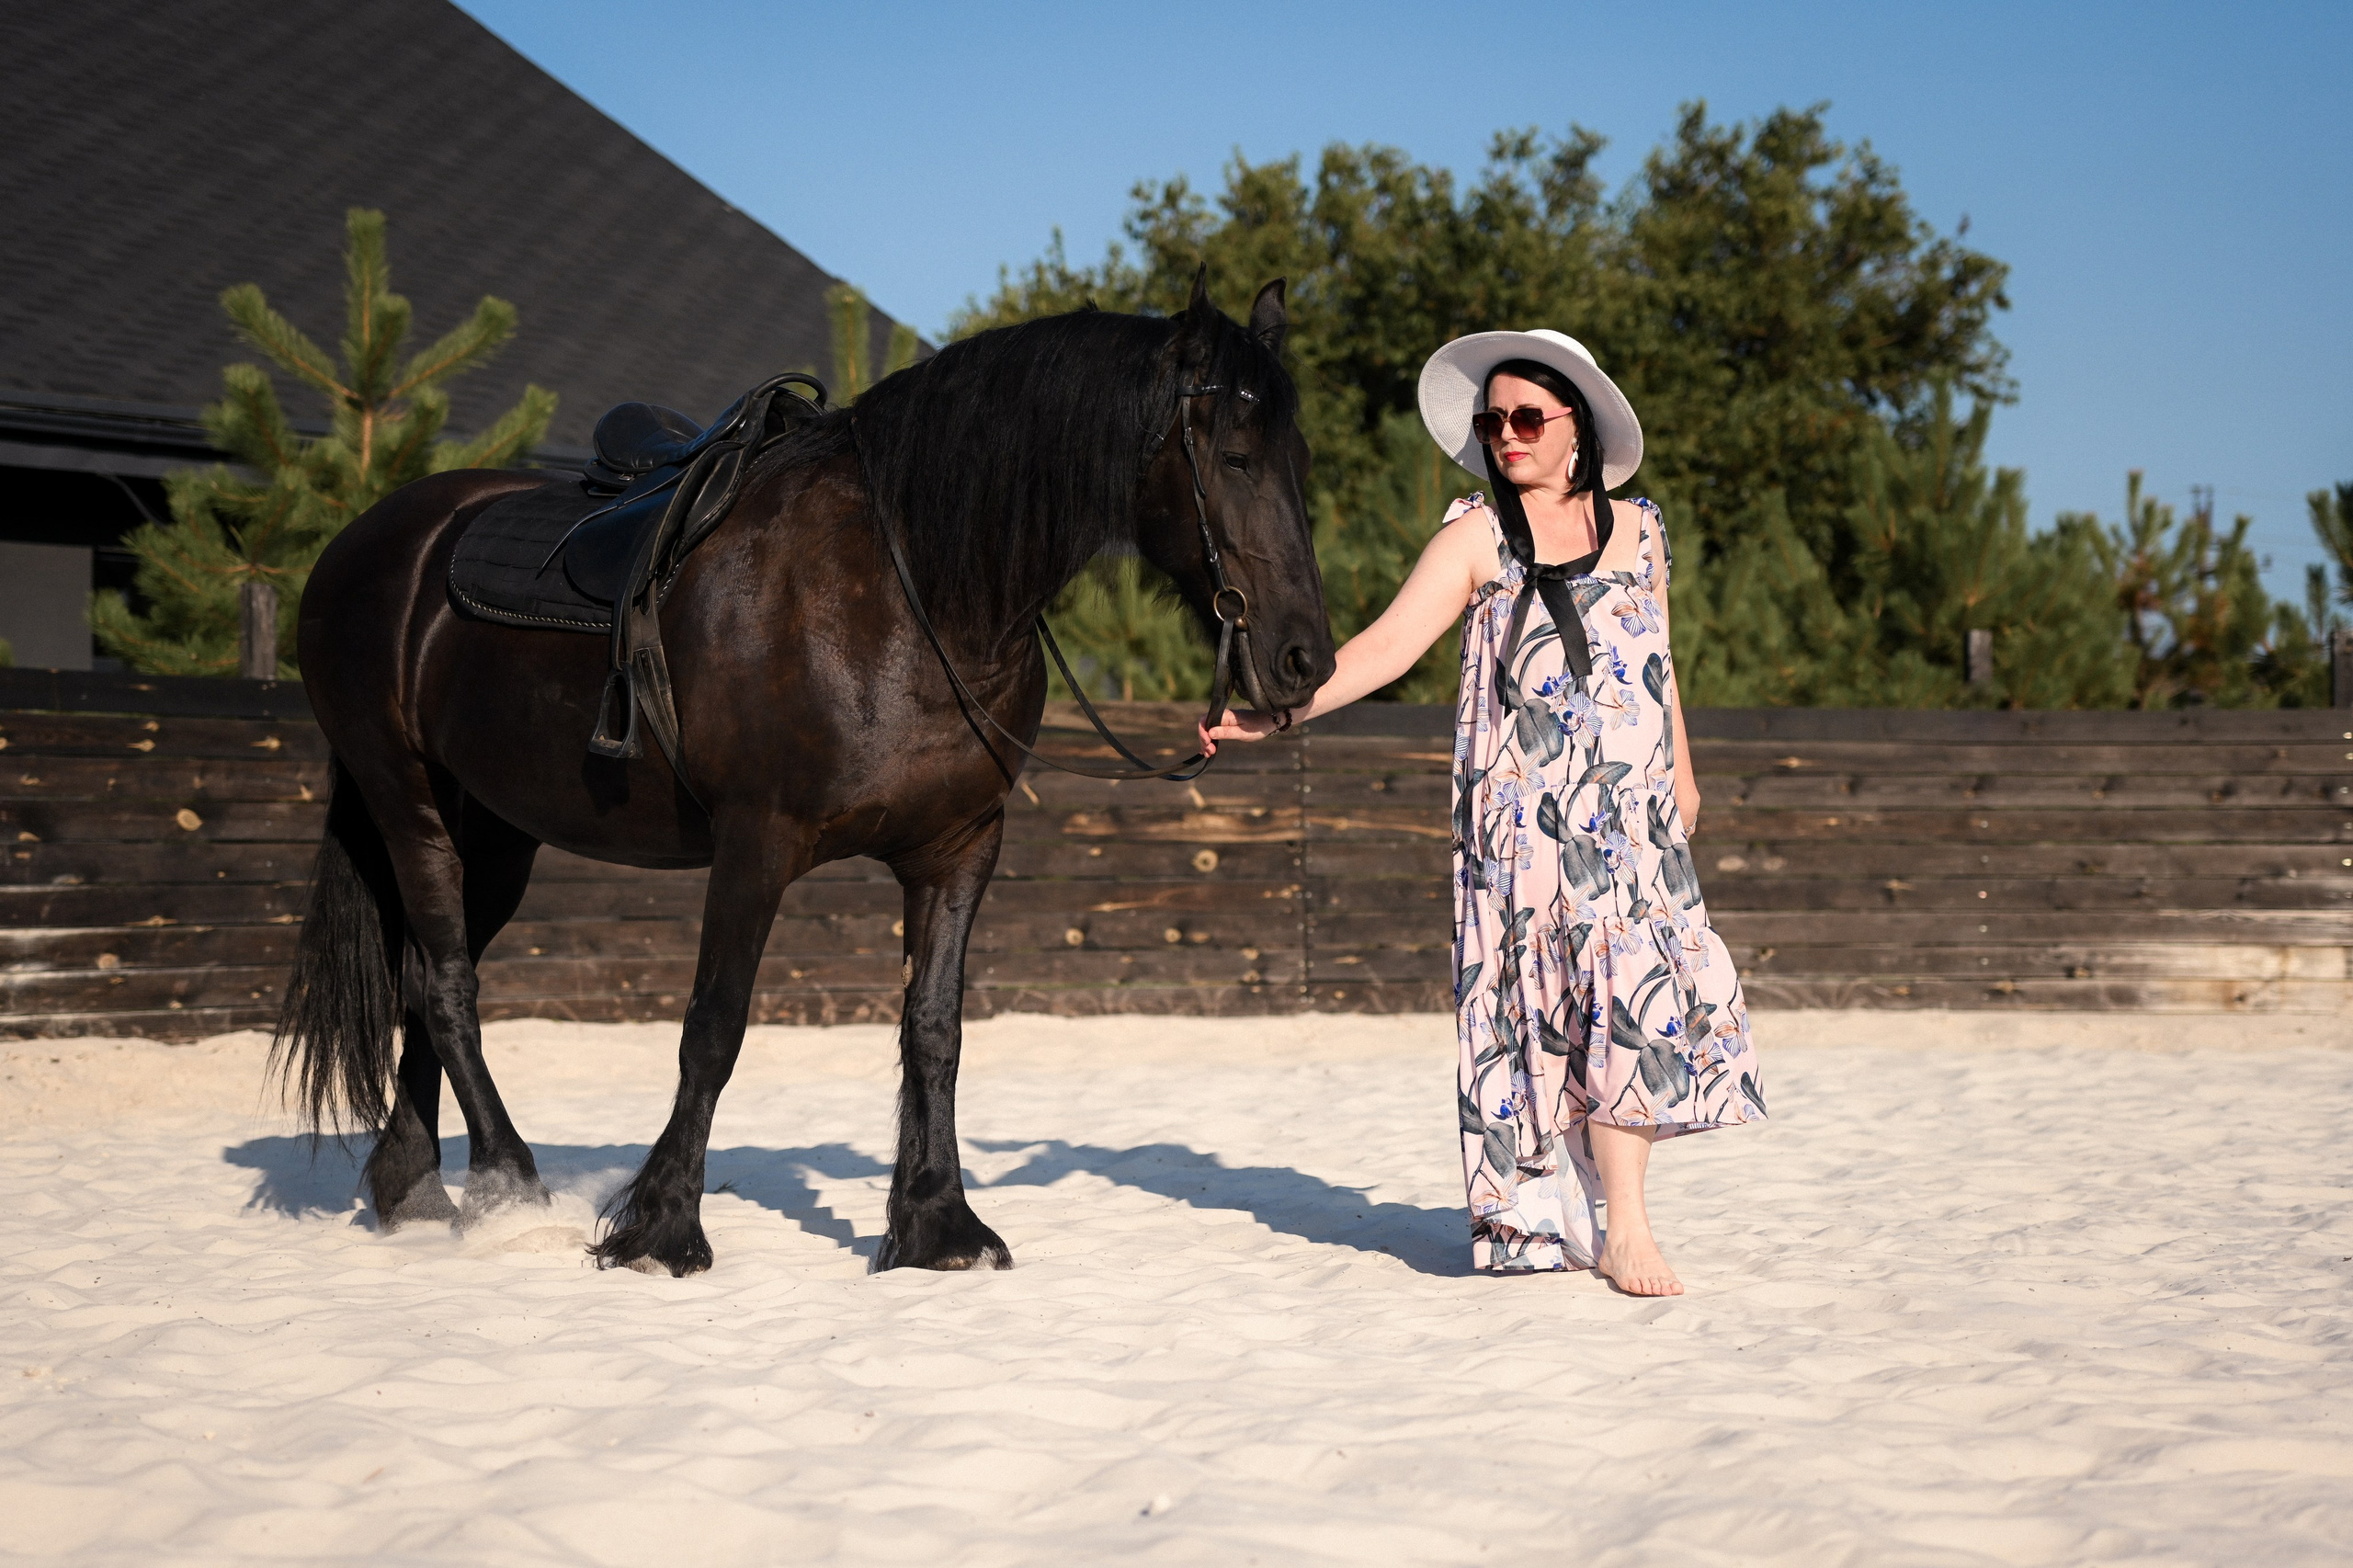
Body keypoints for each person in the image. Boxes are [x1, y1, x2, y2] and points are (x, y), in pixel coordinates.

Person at [1208, 330, 1766, 1295]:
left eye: (1523, 418)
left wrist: (1681, 763)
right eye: (1491, 419)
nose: (1504, 435)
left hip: (1630, 816)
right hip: (1525, 830)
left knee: (1632, 996)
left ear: (1575, 429)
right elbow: (1384, 649)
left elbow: (1658, 655)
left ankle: (1627, 1222)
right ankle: (1562, 1206)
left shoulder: (1642, 530)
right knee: (1545, 1014)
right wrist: (1276, 712)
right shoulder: (1476, 535)